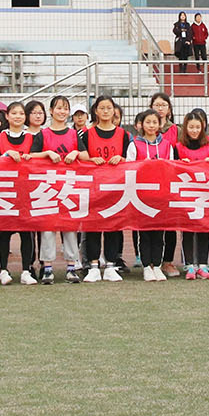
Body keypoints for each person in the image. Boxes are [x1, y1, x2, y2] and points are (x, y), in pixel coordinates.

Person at [80, 95, 130, 282]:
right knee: (93, 225)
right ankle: (93, 266)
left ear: (114, 110)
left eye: (109, 108)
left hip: (116, 186)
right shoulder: (87, 134)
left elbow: (131, 159)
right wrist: (91, 159)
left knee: (113, 226)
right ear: (96, 111)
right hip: (93, 187)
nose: (106, 111)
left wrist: (122, 159)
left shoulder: (123, 134)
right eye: (102, 108)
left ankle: (110, 265)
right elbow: (81, 157)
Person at [0, 101, 42, 285]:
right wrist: (6, 155)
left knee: (27, 233)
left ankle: (26, 270)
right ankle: (3, 269)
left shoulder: (32, 137)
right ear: (7, 116)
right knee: (4, 233)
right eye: (14, 113)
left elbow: (38, 161)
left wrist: (32, 158)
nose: (17, 116)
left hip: (26, 191)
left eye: (21, 113)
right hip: (4, 191)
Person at [37, 94, 83, 284]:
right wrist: (47, 153)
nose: (62, 112)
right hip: (47, 187)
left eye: (65, 108)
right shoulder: (43, 134)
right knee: (47, 228)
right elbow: (30, 156)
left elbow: (86, 155)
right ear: (51, 111)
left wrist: (76, 152)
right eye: (58, 108)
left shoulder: (73, 134)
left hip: (69, 186)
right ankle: (47, 268)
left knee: (70, 227)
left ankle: (72, 267)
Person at [129, 109, 176, 282]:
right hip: (141, 195)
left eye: (154, 122)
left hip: (161, 195)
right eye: (148, 122)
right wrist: (143, 166)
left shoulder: (167, 145)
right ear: (141, 125)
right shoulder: (134, 144)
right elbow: (129, 168)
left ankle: (157, 265)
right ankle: (146, 266)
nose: (151, 125)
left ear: (160, 124)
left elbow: (172, 167)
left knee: (159, 233)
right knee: (144, 233)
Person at [176, 109, 209, 280]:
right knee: (187, 230)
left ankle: (203, 264)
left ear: (203, 128)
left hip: (205, 194)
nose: (194, 130)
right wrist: (179, 164)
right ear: (186, 128)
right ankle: (189, 265)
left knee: (204, 228)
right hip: (185, 194)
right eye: (191, 127)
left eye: (197, 127)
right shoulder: (178, 147)